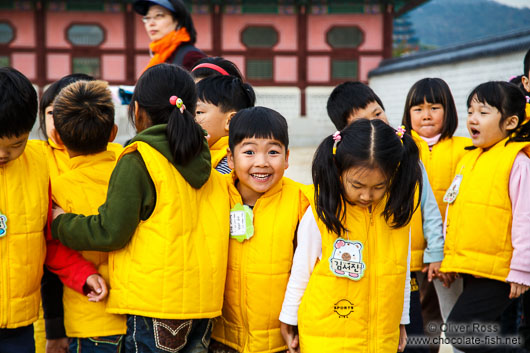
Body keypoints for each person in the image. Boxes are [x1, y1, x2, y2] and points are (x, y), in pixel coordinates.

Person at [51, 63, 230, 353]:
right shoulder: (206, 157)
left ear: (137, 112)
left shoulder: (139, 158)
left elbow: (111, 232)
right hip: (204, 304)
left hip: (155, 303)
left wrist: (61, 223)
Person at [279, 119, 423, 353]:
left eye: (379, 186)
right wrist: (289, 318)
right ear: (339, 170)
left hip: (381, 336)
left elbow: (402, 272)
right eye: (357, 185)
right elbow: (301, 271)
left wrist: (401, 320)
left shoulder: (397, 214)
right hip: (325, 337)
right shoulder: (322, 210)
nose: (367, 195)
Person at [327, 81, 444, 353]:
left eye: (377, 114)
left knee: (414, 329)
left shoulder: (409, 159)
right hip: (362, 266)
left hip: (405, 265)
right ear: (344, 133)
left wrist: (436, 250)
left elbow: (429, 208)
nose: (376, 123)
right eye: (362, 121)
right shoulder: (344, 169)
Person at [0, 67, 102, 353]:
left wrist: (82, 274)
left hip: (19, 325)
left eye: (15, 144)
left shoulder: (39, 165)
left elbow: (49, 240)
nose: (3, 154)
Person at [208, 106, 309, 353]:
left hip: (280, 340)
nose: (262, 162)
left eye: (273, 152)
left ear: (287, 158)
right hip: (221, 338)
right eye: (249, 152)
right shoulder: (213, 194)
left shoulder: (301, 202)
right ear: (230, 158)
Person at [441, 81, 530, 353]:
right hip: (476, 266)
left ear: (511, 122)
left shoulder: (517, 161)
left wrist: (521, 270)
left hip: (502, 270)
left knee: (460, 331)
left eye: (483, 112)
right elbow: (457, 211)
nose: (472, 119)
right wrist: (451, 259)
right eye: (470, 112)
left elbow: (525, 218)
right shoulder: (469, 159)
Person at [50, 80, 126, 352]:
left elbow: (54, 250)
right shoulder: (133, 168)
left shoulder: (57, 188)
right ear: (113, 132)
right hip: (140, 312)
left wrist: (85, 277)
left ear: (57, 137)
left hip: (90, 319)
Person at [401, 78, 471, 352]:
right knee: (416, 314)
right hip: (408, 249)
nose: (426, 114)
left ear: (449, 110)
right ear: (407, 114)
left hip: (446, 253)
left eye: (434, 107)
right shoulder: (402, 147)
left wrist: (446, 252)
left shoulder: (465, 149)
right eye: (417, 108)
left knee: (446, 314)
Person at [196, 75, 255, 174]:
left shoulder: (230, 160)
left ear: (230, 121)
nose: (191, 118)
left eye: (199, 112)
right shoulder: (205, 150)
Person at [134, 0, 205, 72]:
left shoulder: (191, 57)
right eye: (147, 18)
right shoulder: (159, 56)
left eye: (159, 15)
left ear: (178, 20)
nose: (151, 23)